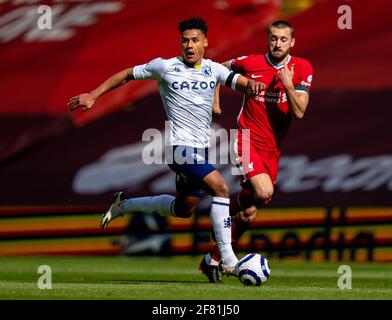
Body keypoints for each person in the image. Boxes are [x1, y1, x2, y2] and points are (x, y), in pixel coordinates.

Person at [68, 17, 264, 276]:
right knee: (221, 187)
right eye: (185, 41)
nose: (190, 45)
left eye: (195, 40)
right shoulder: (165, 67)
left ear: (205, 42)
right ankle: (228, 259)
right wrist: (93, 95)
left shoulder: (213, 69)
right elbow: (127, 73)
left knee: (184, 209)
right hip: (179, 149)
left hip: (200, 150)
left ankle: (124, 205)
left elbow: (239, 81)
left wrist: (252, 85)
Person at [199, 20, 313, 283]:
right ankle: (225, 215)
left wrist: (286, 83)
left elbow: (299, 111)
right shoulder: (250, 63)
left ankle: (212, 259)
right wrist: (216, 102)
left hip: (272, 149)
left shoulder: (302, 68)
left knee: (249, 212)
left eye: (283, 39)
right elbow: (217, 70)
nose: (277, 43)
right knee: (263, 192)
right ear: (268, 39)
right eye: (273, 38)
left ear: (292, 42)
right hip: (245, 139)